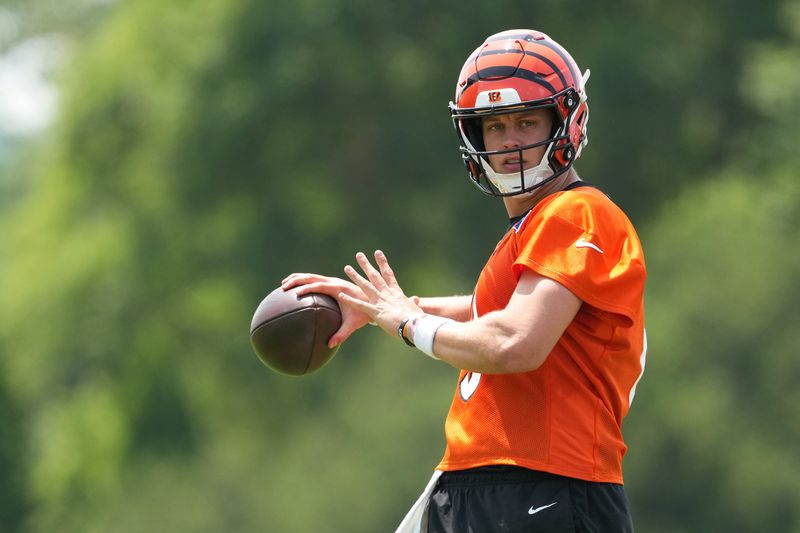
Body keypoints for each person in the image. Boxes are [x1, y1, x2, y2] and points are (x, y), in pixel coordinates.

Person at [282, 28, 646, 532]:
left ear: (568, 121)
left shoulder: (577, 212)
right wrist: (378, 307)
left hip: (546, 486)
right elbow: (487, 313)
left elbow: (515, 341)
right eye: (495, 126)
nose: (510, 140)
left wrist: (409, 323)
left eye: (527, 121)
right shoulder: (531, 229)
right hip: (476, 484)